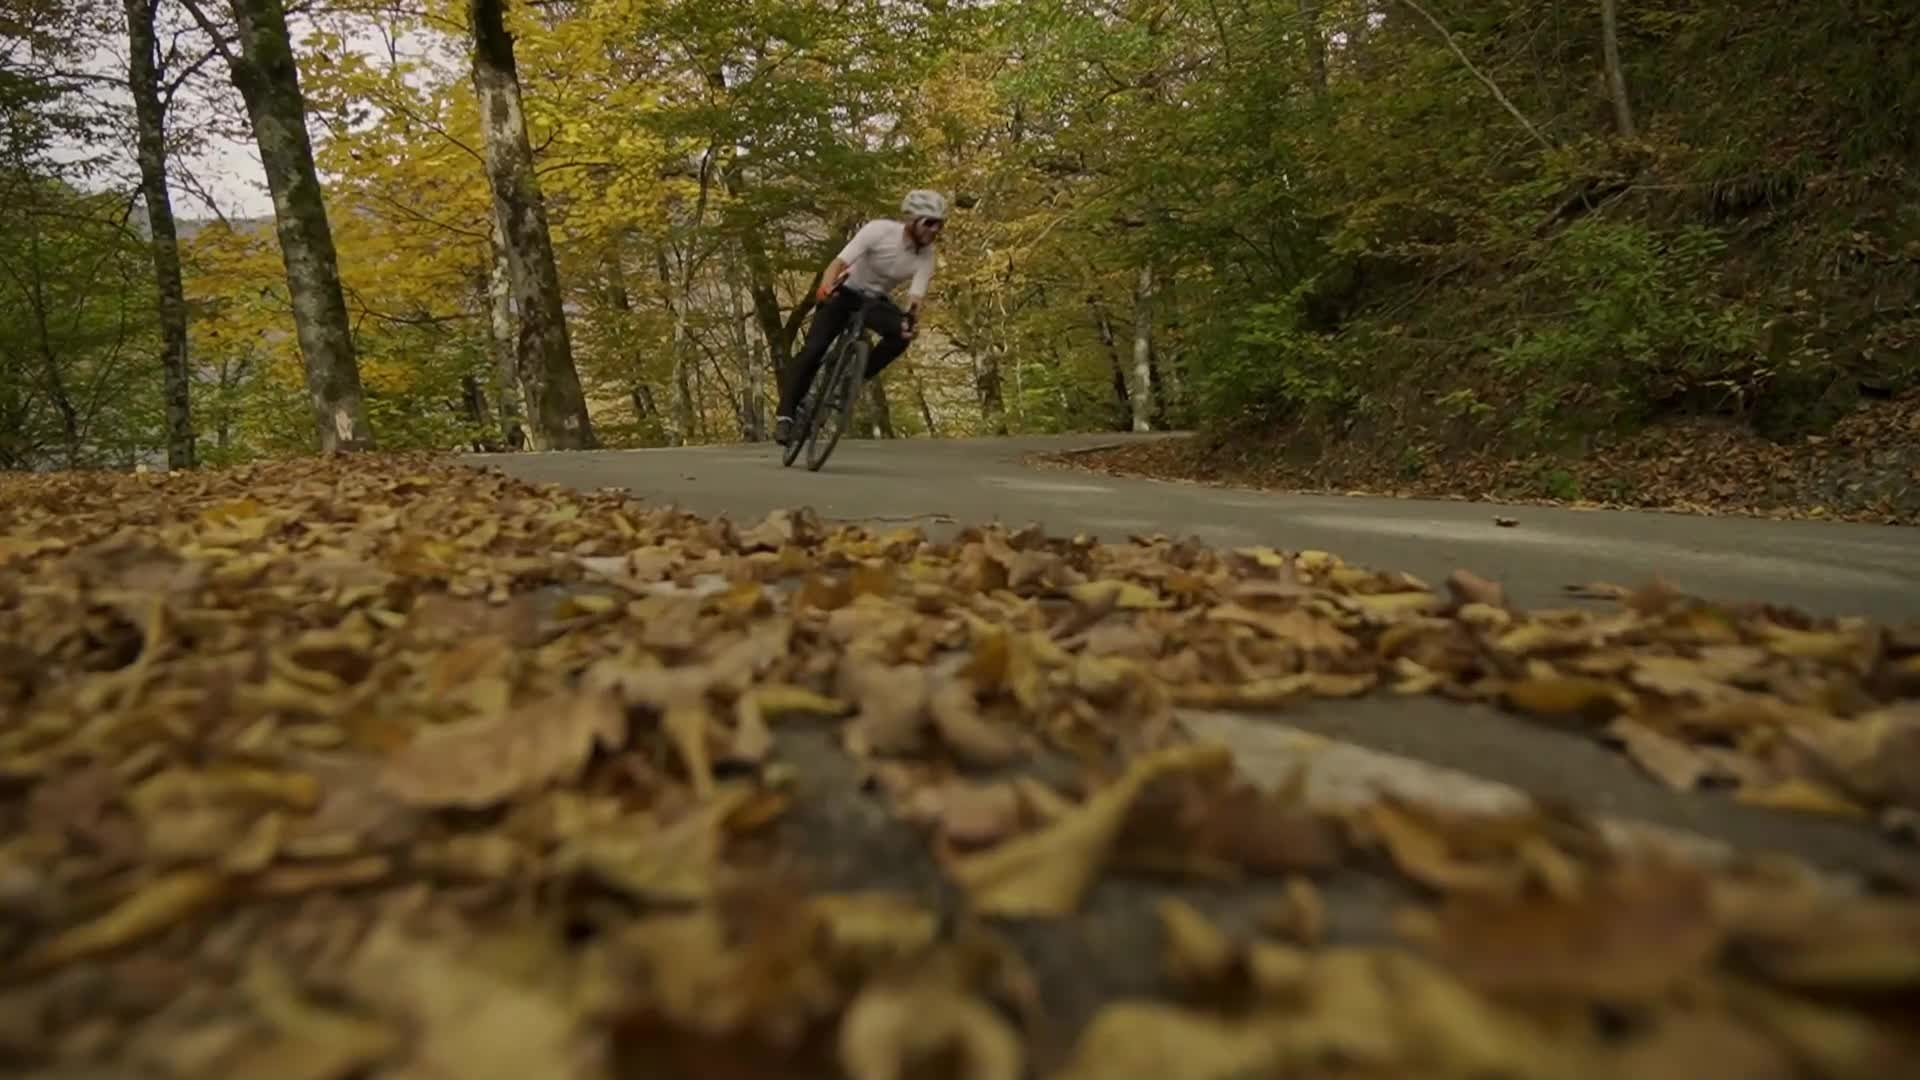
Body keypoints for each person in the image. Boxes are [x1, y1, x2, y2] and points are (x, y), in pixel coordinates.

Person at [774, 189, 948, 445]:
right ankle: (785, 416)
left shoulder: (927, 255)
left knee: (902, 334)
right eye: (929, 223)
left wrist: (910, 320)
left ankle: (852, 381)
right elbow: (838, 263)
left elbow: (916, 296)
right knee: (814, 350)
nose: (935, 230)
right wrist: (825, 287)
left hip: (875, 302)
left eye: (940, 224)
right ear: (911, 219)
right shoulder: (879, 231)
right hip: (844, 291)